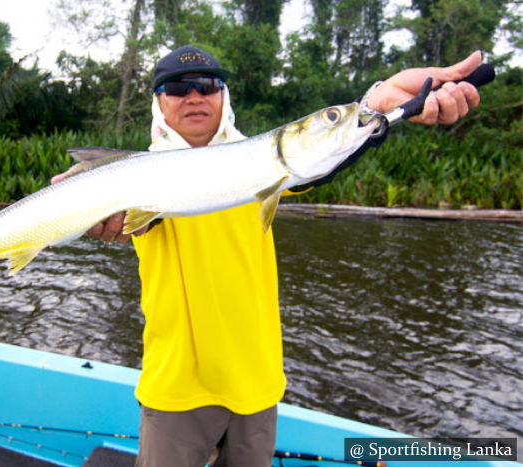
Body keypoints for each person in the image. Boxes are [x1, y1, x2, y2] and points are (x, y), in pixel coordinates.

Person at [53, 45, 482, 466]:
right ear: (158, 105)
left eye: (207, 85)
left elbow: (325, 152)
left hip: (257, 385)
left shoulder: (268, 165)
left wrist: (376, 106)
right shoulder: (140, 175)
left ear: (224, 96)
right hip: (176, 389)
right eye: (178, 88)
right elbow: (136, 219)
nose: (195, 97)